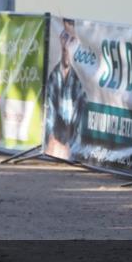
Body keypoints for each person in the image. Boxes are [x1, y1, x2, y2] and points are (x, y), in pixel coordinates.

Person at [44, 19, 87, 160]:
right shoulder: (53, 77)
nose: (67, 44)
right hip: (53, 148)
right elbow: (48, 120)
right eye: (64, 37)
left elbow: (79, 129)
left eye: (72, 39)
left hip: (70, 151)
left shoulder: (80, 82)